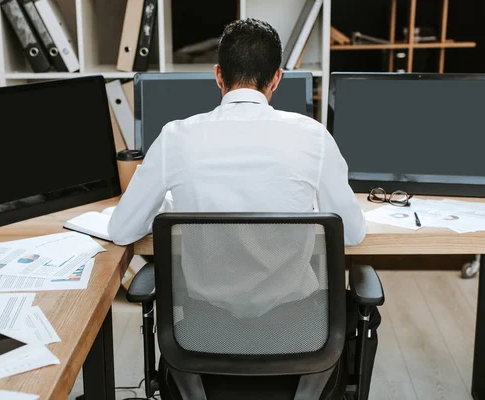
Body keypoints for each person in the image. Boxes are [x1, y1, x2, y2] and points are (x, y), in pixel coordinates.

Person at [108, 17, 380, 391]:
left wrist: (170, 206)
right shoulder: (313, 138)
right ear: (277, 78)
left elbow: (121, 230)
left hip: (203, 333)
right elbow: (353, 233)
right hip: (299, 332)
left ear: (218, 76)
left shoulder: (175, 139)